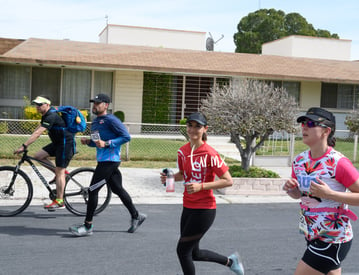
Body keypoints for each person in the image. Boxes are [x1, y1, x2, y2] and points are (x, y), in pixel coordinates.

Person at [283, 107, 359, 275]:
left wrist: (329, 194)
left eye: (310, 123)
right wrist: (292, 191)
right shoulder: (299, 161)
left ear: (326, 130)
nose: (304, 127)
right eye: (303, 123)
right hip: (311, 233)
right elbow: (301, 196)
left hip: (334, 236)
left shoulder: (338, 162)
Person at [160, 112, 244, 275]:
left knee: (182, 251)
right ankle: (231, 262)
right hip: (188, 206)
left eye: (197, 126)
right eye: (190, 125)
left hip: (204, 209)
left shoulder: (210, 154)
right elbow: (184, 174)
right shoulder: (182, 152)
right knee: (193, 253)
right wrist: (169, 178)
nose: (192, 130)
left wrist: (201, 186)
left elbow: (228, 180)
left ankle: (232, 262)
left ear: (205, 129)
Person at [69, 93, 146, 236]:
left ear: (106, 105)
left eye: (98, 103)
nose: (95, 105)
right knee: (117, 189)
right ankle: (136, 215)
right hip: (104, 160)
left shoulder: (111, 120)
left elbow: (126, 137)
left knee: (92, 190)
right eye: (94, 103)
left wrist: (108, 143)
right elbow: (98, 142)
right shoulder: (97, 121)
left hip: (110, 162)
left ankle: (88, 226)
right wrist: (89, 142)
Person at [14, 95, 75, 211]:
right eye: (36, 104)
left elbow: (38, 134)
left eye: (40, 104)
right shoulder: (46, 115)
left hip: (65, 144)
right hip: (58, 143)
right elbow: (37, 130)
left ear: (47, 105)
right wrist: (27, 140)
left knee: (60, 171)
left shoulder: (51, 116)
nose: (37, 107)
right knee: (38, 156)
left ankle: (60, 201)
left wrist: (24, 146)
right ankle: (61, 175)